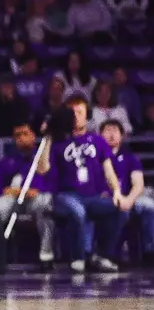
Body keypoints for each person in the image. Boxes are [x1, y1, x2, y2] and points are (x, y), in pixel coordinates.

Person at [43, 94, 126, 272]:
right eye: (72, 112)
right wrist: (49, 137)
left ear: (86, 114)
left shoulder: (97, 141)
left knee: (119, 207)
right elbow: (43, 169)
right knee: (77, 211)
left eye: (80, 111)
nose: (76, 116)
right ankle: (78, 258)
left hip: (92, 196)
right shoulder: (58, 143)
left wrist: (117, 192)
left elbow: (108, 170)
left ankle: (102, 256)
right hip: (65, 195)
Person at [0, 122, 55, 264]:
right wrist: (19, 191)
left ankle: (46, 255)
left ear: (34, 136)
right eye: (17, 135)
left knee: (46, 205)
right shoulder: (7, 161)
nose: (21, 138)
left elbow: (48, 186)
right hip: (13, 201)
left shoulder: (43, 158)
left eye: (25, 134)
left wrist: (31, 191)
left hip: (35, 201)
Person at [100, 119, 153, 264]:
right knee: (120, 212)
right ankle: (111, 253)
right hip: (104, 200)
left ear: (122, 136)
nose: (111, 134)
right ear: (100, 135)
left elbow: (138, 184)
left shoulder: (130, 158)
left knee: (149, 206)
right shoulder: (96, 157)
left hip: (129, 198)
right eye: (107, 130)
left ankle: (150, 251)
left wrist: (129, 199)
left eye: (115, 131)